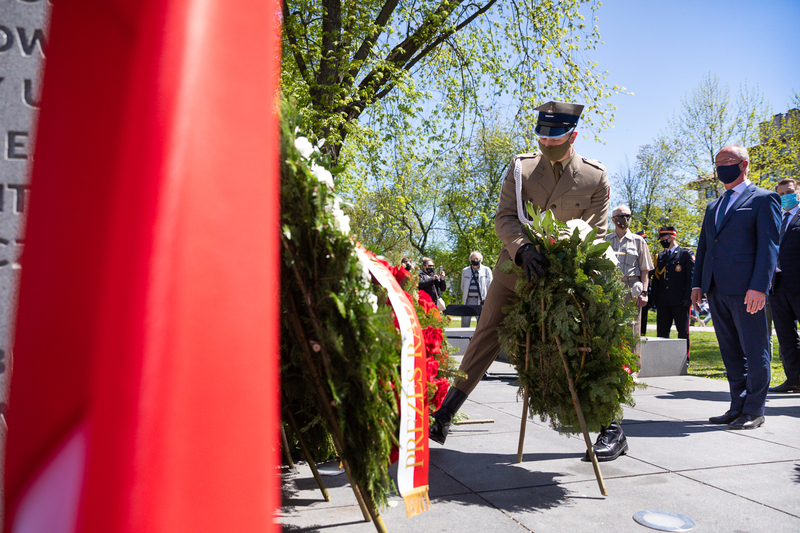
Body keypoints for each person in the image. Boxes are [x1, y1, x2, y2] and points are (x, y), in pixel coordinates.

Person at [429, 100, 624, 460]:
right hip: (516, 272)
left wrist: (566, 263)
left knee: (580, 346)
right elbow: (505, 217)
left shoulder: (595, 177)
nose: (546, 145)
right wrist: (522, 250)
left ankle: (612, 428)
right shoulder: (521, 168)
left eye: (555, 140)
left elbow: (596, 233)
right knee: (484, 337)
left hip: (566, 280)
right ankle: (444, 414)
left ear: (573, 136)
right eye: (542, 138)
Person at [691, 145, 780, 430]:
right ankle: (737, 406)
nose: (721, 168)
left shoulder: (765, 200)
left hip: (747, 291)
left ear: (744, 165)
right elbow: (704, 248)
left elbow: (768, 249)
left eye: (727, 161)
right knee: (730, 352)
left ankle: (754, 410)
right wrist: (697, 285)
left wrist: (759, 287)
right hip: (716, 289)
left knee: (755, 351)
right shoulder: (714, 206)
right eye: (717, 163)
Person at [605, 206, 654, 360]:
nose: (624, 219)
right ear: (613, 219)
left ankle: (633, 368)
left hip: (631, 287)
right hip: (611, 286)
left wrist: (644, 292)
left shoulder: (639, 241)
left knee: (633, 328)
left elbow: (645, 269)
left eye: (628, 215)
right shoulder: (605, 240)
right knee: (609, 326)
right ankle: (612, 365)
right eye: (621, 216)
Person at [769, 178, 800, 393]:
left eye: (788, 192)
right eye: (780, 194)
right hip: (778, 286)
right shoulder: (776, 219)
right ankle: (794, 380)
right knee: (786, 336)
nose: (784, 197)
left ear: (797, 192)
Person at [650, 226, 694, 354]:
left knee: (683, 331)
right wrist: (654, 298)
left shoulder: (685, 254)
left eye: (664, 238)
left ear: (672, 237)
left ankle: (684, 358)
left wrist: (688, 297)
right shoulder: (661, 256)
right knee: (662, 332)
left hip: (680, 301)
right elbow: (657, 279)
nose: (662, 240)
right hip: (663, 301)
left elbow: (690, 278)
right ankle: (663, 357)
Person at [459, 251, 493, 326]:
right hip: (468, 301)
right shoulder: (465, 271)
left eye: (477, 258)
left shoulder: (487, 270)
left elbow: (490, 286)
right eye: (473, 259)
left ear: (481, 259)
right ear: (470, 260)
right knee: (465, 324)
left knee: (481, 325)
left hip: (481, 301)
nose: (475, 260)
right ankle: (464, 337)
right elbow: (462, 286)